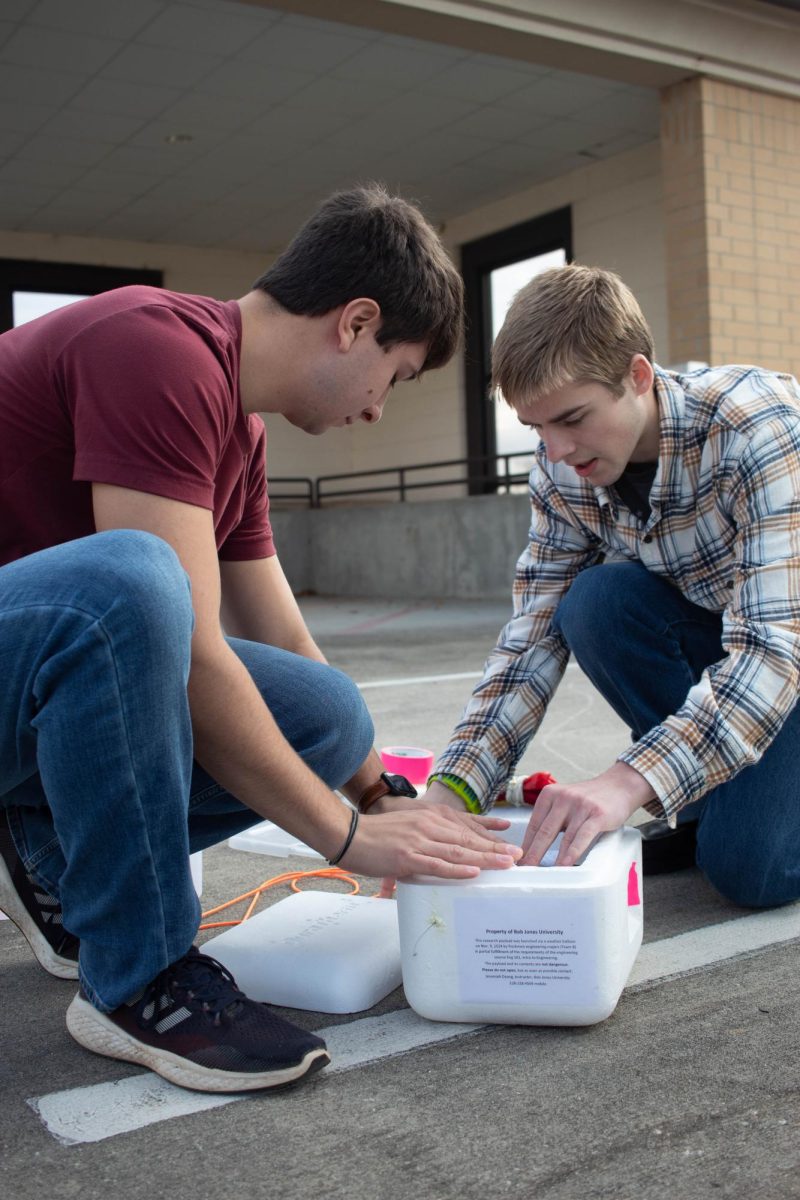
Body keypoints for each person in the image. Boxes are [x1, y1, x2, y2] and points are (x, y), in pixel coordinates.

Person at [0, 184, 520, 1095]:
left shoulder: (235, 425)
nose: (377, 409)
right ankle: (136, 978)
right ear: (355, 323)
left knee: (327, 714)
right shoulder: (154, 349)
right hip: (38, 657)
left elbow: (277, 632)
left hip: (25, 681)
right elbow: (191, 653)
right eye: (394, 377)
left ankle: (40, 840)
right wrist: (348, 838)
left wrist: (383, 793)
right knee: (129, 583)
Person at [426, 263, 800, 908]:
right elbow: (530, 642)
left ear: (637, 376)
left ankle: (722, 815)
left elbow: (772, 651)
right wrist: (452, 791)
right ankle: (706, 801)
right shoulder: (559, 467)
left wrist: (628, 781)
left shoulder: (758, 430)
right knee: (595, 603)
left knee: (749, 873)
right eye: (536, 426)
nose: (556, 449)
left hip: (783, 650)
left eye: (572, 418)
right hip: (734, 644)